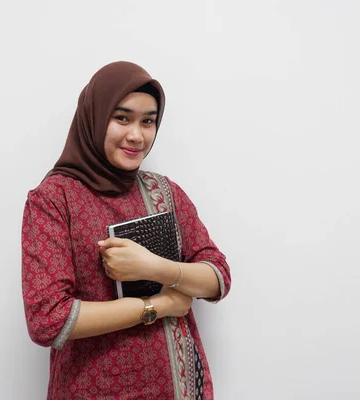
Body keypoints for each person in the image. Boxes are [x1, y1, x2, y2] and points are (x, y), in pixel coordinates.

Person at [21, 61, 231, 399]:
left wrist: (154, 267)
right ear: (95, 117)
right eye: (122, 118)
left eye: (148, 121)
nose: (137, 135)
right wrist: (160, 305)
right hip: (94, 389)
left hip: (178, 388)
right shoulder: (54, 200)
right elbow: (49, 320)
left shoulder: (165, 193)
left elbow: (218, 278)